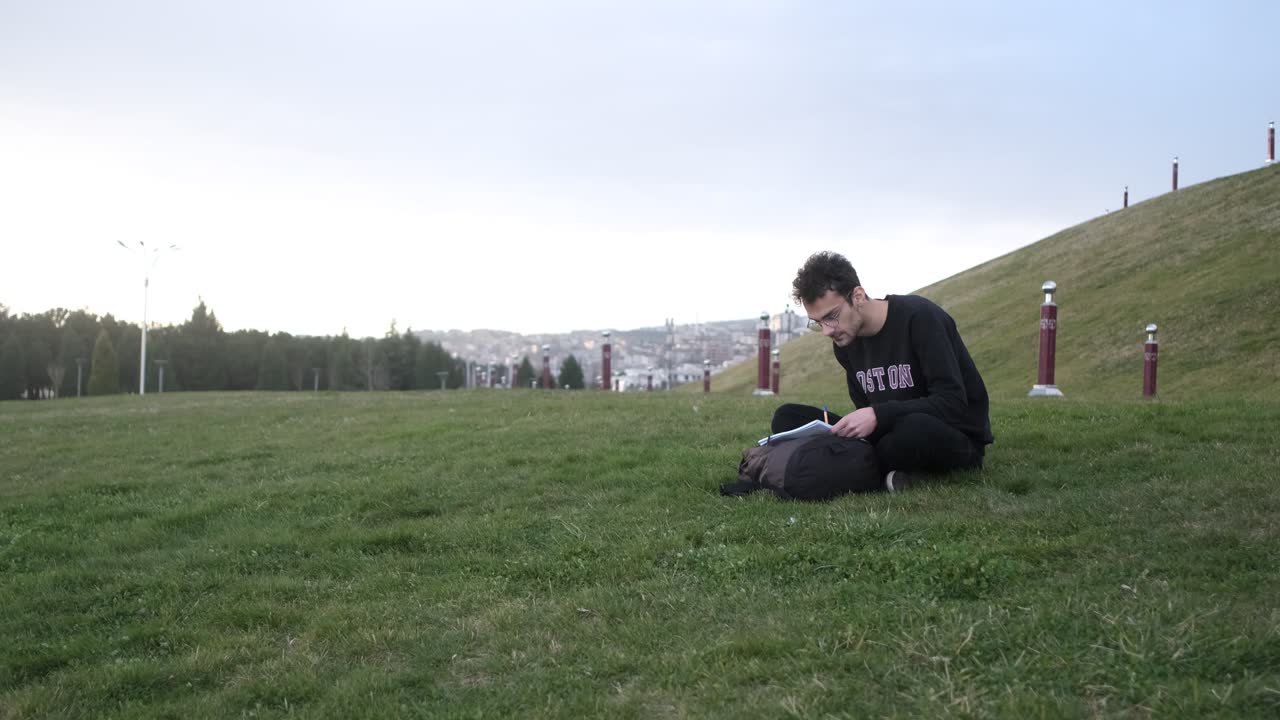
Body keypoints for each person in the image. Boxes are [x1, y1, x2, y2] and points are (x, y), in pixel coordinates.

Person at [775, 251, 993, 491]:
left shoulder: (920, 318)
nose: (827, 331)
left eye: (831, 317)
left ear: (857, 296)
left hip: (950, 435)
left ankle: (842, 467)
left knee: (912, 431)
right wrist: (866, 421)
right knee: (787, 417)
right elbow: (867, 412)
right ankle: (877, 470)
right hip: (886, 433)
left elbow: (953, 404)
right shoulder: (846, 343)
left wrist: (878, 414)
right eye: (818, 323)